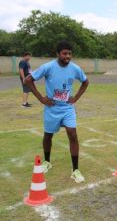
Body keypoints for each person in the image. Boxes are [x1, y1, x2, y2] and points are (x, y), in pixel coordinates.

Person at [25, 41, 89, 183]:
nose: (67, 56)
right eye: (64, 53)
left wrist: (76, 97)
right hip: (52, 108)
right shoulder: (48, 67)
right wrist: (41, 98)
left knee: (72, 134)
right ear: (58, 54)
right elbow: (28, 80)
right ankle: (47, 162)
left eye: (69, 53)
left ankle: (75, 170)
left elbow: (85, 82)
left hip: (67, 108)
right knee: (48, 135)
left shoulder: (75, 68)